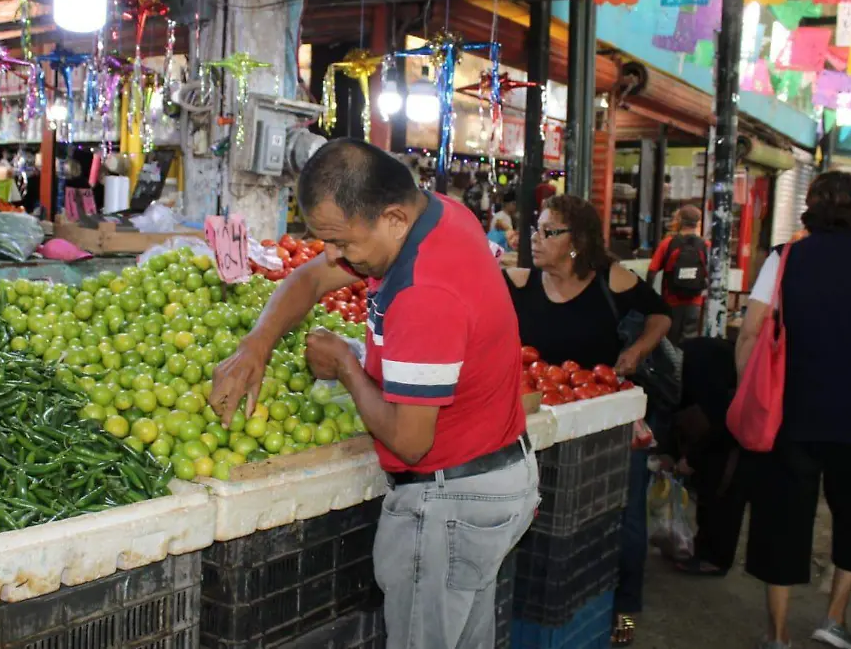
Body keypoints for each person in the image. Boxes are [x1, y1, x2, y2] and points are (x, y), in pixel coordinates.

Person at [210, 139, 538, 648]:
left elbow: (411, 442)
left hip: (451, 503)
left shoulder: (424, 293)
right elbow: (312, 277)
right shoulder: (437, 213)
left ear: (391, 218)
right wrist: (257, 345)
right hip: (493, 481)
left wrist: (346, 366)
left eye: (342, 242)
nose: (335, 256)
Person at [737, 171, 851, 649]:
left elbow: (751, 331)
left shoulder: (785, 259)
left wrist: (749, 391)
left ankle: (777, 634)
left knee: (783, 516)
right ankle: (834, 619)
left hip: (790, 414)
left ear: (811, 208)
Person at [502, 194, 671, 646]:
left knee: (627, 525)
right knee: (552, 529)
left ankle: (627, 617)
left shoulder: (610, 281)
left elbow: (661, 314)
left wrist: (636, 352)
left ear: (575, 243)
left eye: (548, 232)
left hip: (607, 426)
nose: (535, 239)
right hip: (541, 428)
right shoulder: (517, 284)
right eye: (536, 229)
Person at [670, 336, 745, 577]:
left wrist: (692, 460)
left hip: (738, 419)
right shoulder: (679, 362)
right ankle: (703, 548)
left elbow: (723, 424)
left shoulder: (700, 372)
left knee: (723, 481)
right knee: (709, 478)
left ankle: (714, 557)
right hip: (724, 412)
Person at [647, 205, 708, 345]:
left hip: (671, 301)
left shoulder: (668, 244)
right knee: (690, 341)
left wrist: (649, 297)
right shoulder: (705, 245)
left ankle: (673, 366)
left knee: (670, 342)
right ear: (698, 223)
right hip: (696, 302)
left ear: (679, 220)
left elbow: (652, 272)